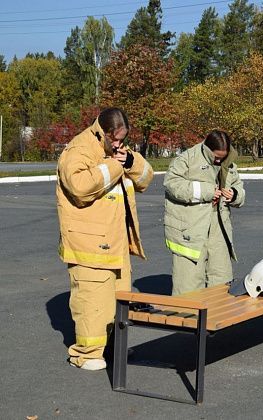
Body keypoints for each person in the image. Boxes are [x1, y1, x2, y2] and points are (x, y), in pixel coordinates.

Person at [56, 107, 154, 371]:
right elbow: (79, 188)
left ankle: (113, 348)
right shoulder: (79, 149)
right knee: (92, 303)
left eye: (123, 139)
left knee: (117, 303)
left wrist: (131, 161)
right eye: (116, 139)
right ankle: (85, 354)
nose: (120, 144)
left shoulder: (119, 152)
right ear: (104, 132)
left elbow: (147, 179)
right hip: (89, 244)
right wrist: (113, 165)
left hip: (116, 243)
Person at [164, 130, 245, 295]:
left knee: (221, 278)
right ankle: (186, 318)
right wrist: (206, 191)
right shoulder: (186, 159)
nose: (219, 160)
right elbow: (171, 184)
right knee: (188, 282)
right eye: (216, 157)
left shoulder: (228, 162)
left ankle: (219, 318)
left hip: (218, 224)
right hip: (190, 227)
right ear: (206, 148)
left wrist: (235, 194)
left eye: (223, 157)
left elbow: (238, 185)